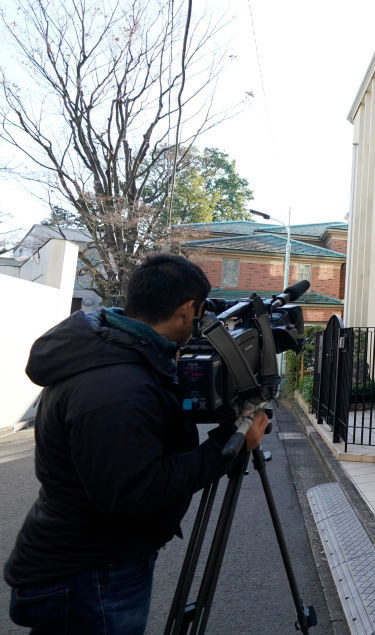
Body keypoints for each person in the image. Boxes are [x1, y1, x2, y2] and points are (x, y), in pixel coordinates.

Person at [5, 253, 269, 634]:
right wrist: (227, 447)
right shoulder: (118, 386)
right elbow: (134, 490)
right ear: (187, 309)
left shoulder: (116, 351)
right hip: (89, 574)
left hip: (89, 563)